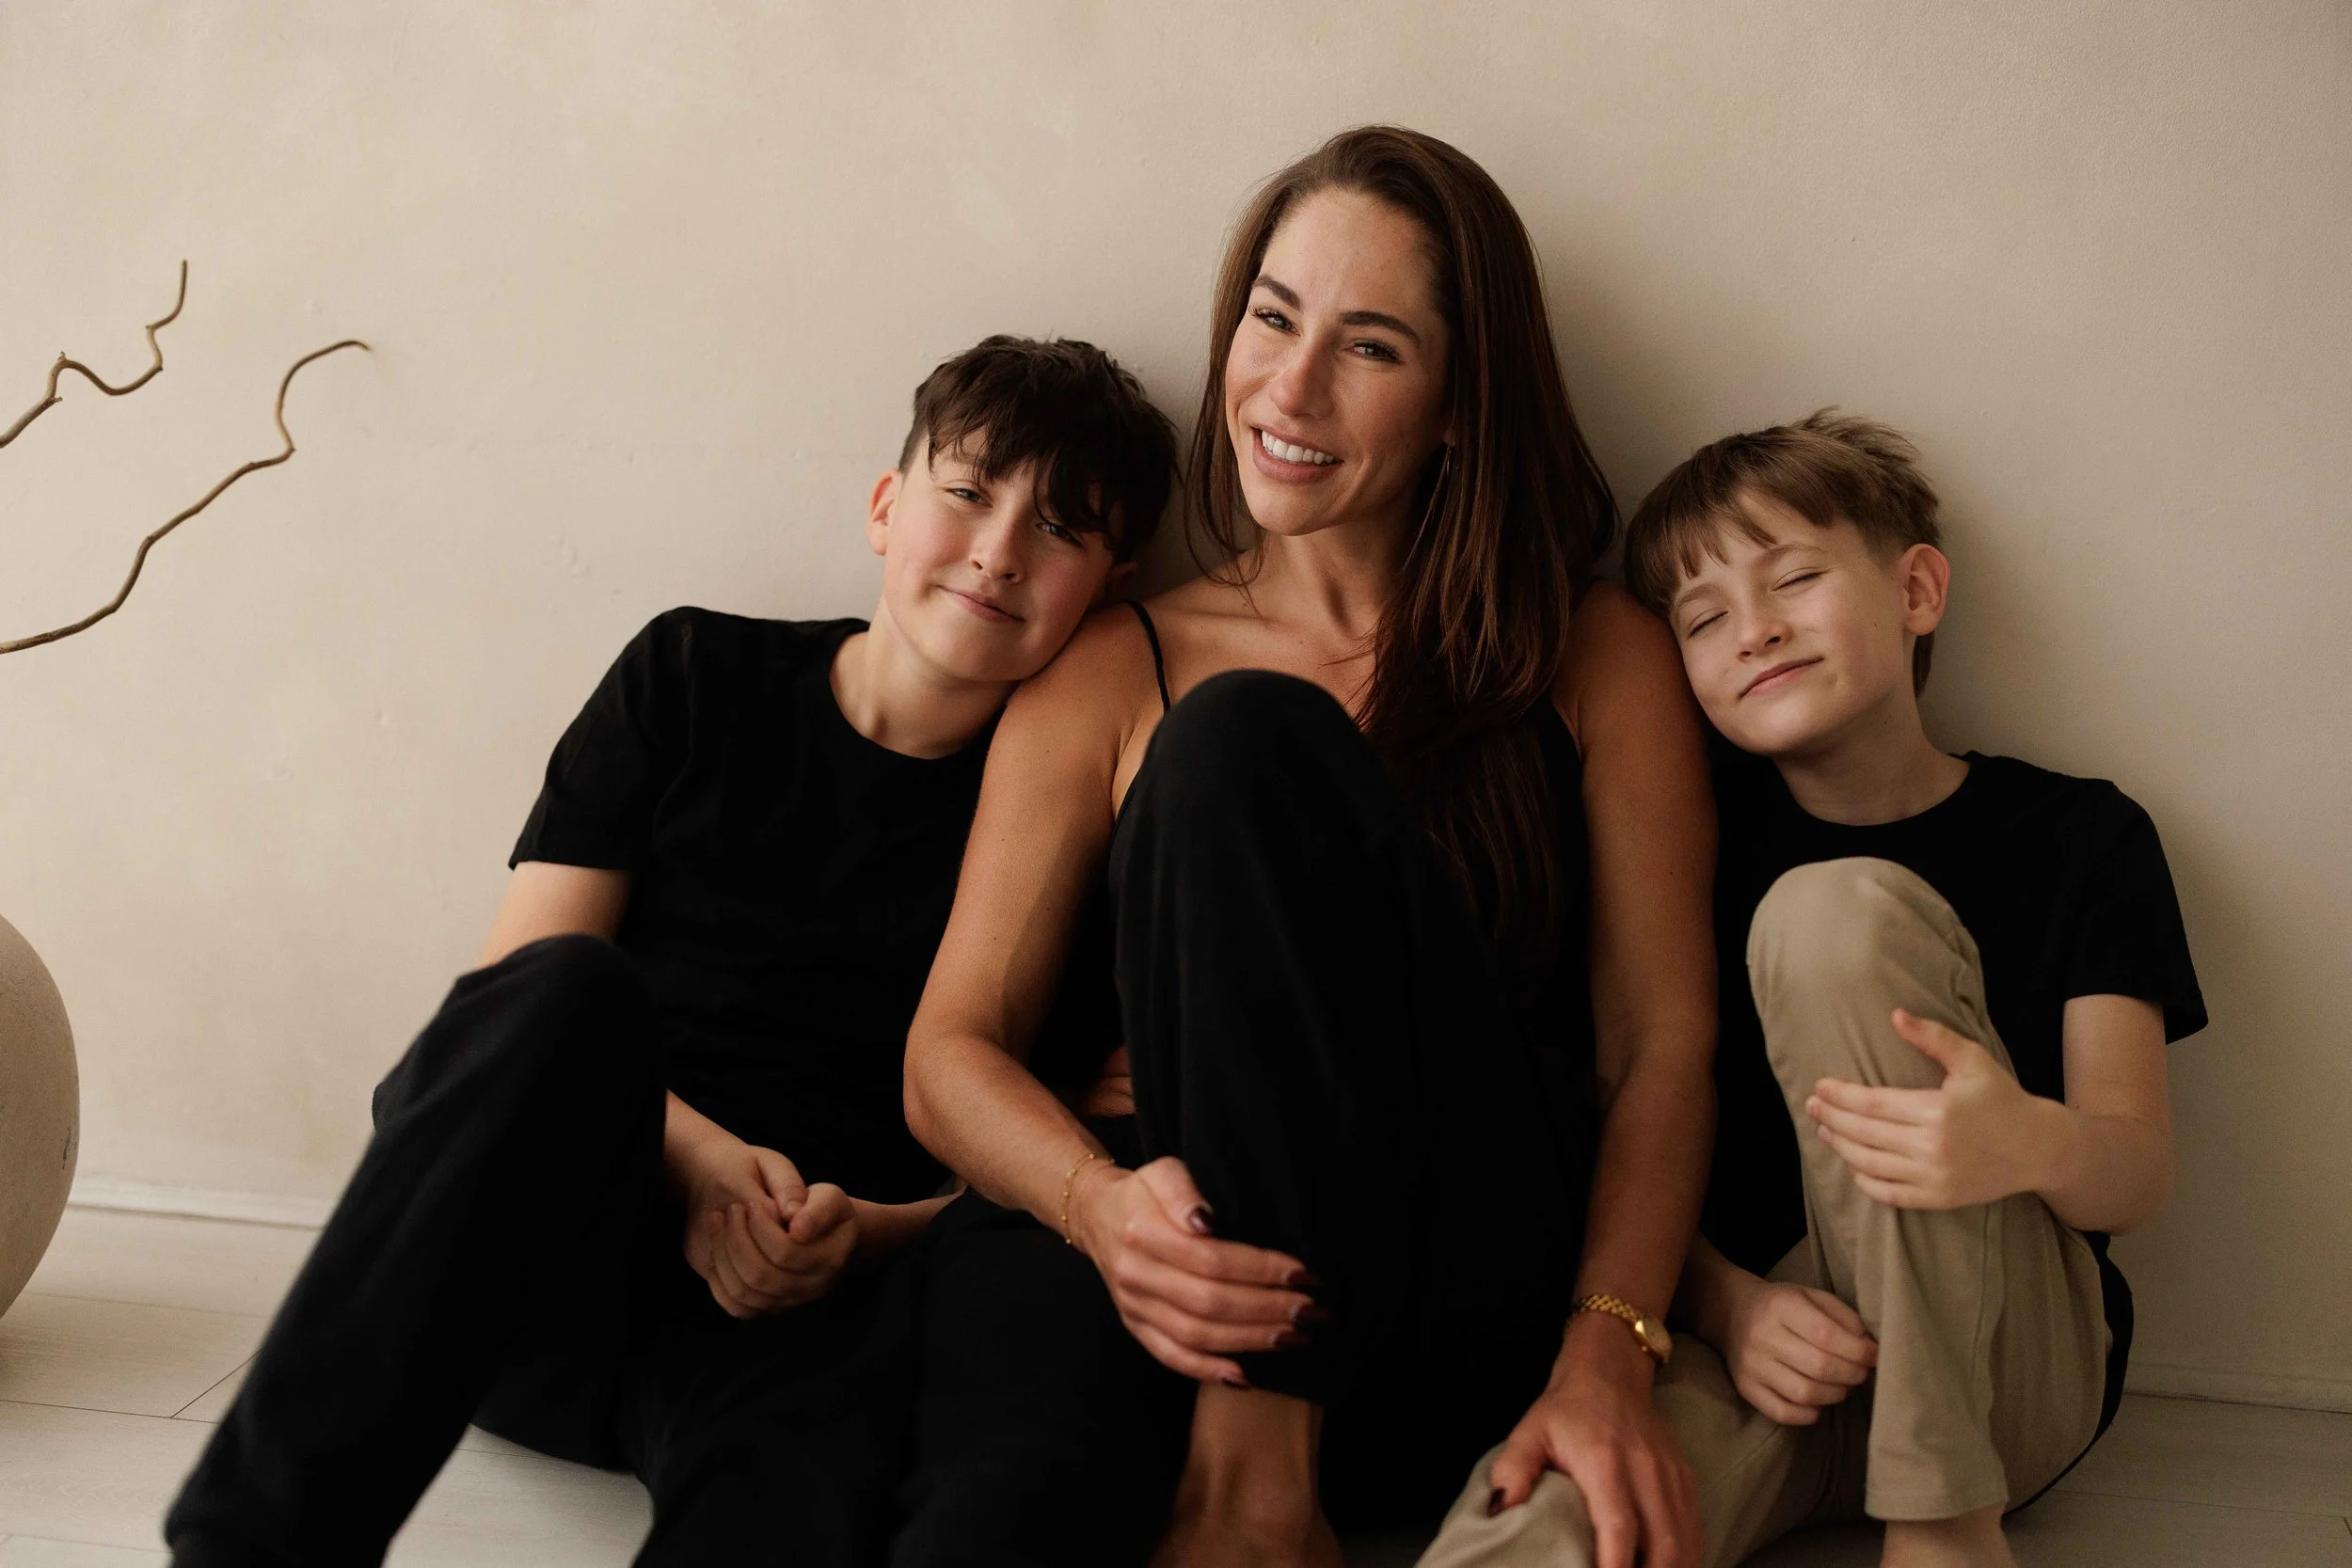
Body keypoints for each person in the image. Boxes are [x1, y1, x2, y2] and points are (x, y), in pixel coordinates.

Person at [163, 334, 1181, 1568]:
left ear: (1110, 590)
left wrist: (864, 1229)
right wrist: (699, 1171)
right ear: (884, 502)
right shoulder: (693, 673)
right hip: (536, 1251)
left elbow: (1038, 1153)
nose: (998, 548)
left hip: (796, 1305)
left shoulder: (1062, 830)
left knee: (808, 1480)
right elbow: (515, 998)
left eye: (1060, 529)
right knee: (567, 992)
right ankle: (248, 1543)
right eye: (968, 490)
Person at [901, 125, 1719, 1568]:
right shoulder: (1110, 662)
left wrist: (1611, 1351)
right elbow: (949, 1054)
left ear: (1463, 403)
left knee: (1238, 740)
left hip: (1434, 1284)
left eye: (1372, 346)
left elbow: (1658, 1044)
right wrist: (1097, 1206)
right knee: (992, 1521)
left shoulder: (1587, 652)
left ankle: (1254, 1493)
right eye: (1272, 318)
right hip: (1145, 1243)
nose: (1290, 387)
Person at [1421, 411, 2204, 1568]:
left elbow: (2132, 1173)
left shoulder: (2083, 835)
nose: (1755, 630)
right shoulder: (1681, 852)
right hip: (1767, 1353)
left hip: (2006, 1374)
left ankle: (1940, 1522)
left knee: (1834, 912)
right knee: (1548, 1507)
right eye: (1702, 617)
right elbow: (1601, 1134)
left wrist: (2022, 1143)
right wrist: (1729, 1305)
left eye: (1793, 577)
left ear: (1917, 591)